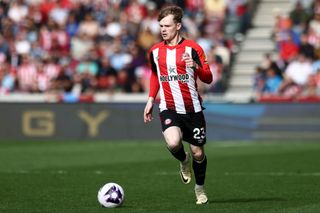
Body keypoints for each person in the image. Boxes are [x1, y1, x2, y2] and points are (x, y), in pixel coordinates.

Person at [143, 5, 213, 205]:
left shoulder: (193, 48)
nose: (163, 29)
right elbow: (155, 75)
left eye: (167, 25)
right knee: (173, 142)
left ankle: (199, 188)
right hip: (169, 106)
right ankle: (183, 161)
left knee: (198, 153)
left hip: (193, 110)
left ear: (178, 26)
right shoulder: (155, 51)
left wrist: (196, 67)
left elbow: (208, 78)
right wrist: (150, 100)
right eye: (161, 26)